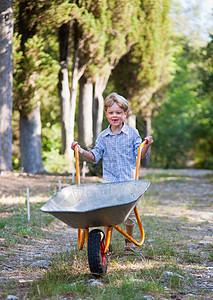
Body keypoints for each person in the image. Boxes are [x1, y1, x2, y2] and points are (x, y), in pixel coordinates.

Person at [71, 92, 153, 253]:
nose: (114, 116)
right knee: (107, 213)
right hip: (110, 182)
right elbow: (95, 156)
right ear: (106, 114)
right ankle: (105, 243)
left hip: (129, 181)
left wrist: (147, 145)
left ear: (124, 114)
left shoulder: (132, 133)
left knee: (129, 214)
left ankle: (129, 241)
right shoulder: (103, 136)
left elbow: (140, 155)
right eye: (111, 112)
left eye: (118, 112)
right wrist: (81, 151)